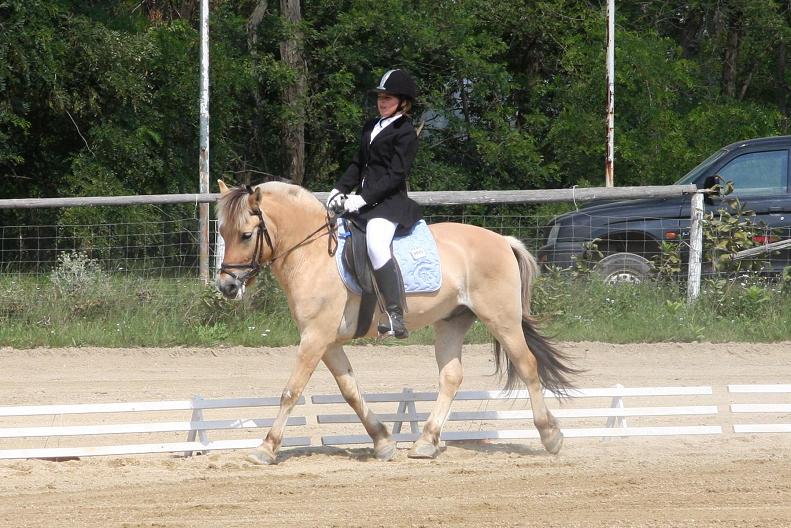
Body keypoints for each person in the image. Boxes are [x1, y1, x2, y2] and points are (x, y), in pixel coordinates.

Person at [327, 69, 422, 338]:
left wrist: (362, 198)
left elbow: (396, 175)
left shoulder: (405, 132)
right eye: (380, 97)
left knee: (376, 245)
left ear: (403, 102)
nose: (382, 102)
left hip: (389, 203)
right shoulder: (371, 126)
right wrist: (339, 189)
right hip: (365, 202)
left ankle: (395, 315)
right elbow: (358, 164)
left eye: (388, 98)